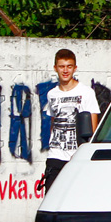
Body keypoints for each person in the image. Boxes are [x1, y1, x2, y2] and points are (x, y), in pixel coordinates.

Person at [44, 48, 100, 192]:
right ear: (55, 68)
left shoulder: (86, 92)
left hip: (77, 155)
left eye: (69, 66)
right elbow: (53, 122)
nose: (65, 70)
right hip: (56, 155)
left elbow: (93, 127)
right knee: (51, 196)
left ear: (75, 68)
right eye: (62, 66)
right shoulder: (52, 94)